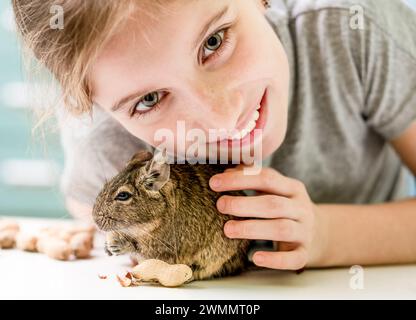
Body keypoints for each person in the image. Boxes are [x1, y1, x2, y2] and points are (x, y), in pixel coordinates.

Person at [12, 0, 416, 270]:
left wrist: (327, 236)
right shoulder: (106, 139)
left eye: (214, 41)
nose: (220, 118)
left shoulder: (354, 31)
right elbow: (98, 221)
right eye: (151, 99)